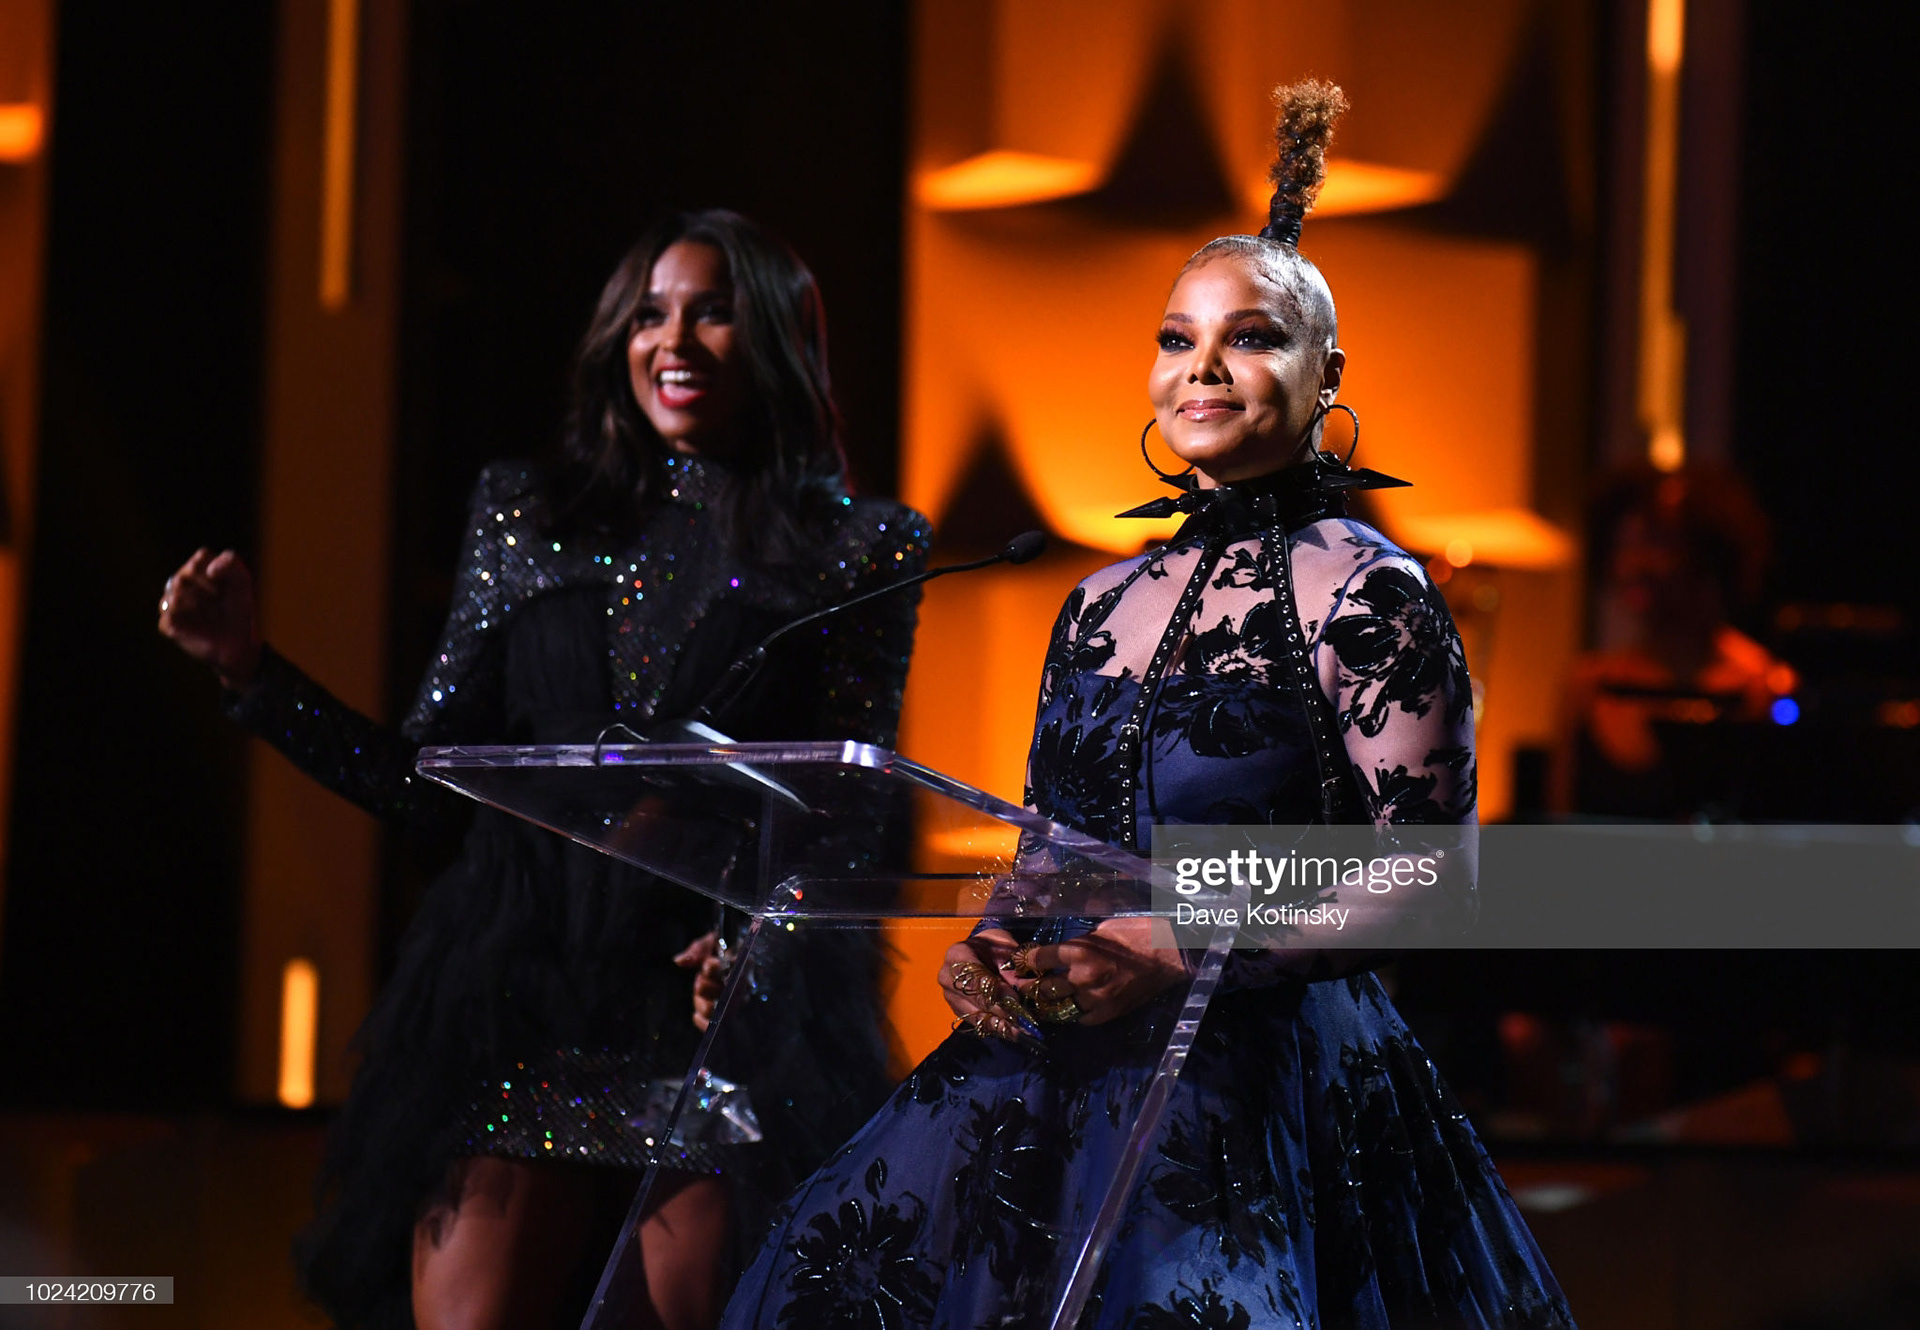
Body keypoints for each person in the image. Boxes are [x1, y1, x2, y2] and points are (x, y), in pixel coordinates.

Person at [713, 85, 1575, 1328]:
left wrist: (1181, 942)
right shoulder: (1096, 600)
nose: (1204, 369)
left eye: (1252, 339)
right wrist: (988, 951)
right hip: (1051, 1077)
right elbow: (1046, 851)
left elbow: (1431, 876)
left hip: (1266, 1093)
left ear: (1327, 372)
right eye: (1177, 339)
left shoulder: (1371, 592)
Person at [159, 210, 929, 1330]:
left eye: (712, 311)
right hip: (523, 1000)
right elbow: (426, 784)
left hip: (709, 1017)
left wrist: (765, 938)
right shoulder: (528, 513)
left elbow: (852, 811)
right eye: (650, 313)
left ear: (774, 339)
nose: (675, 339)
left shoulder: (860, 546)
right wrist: (250, 672)